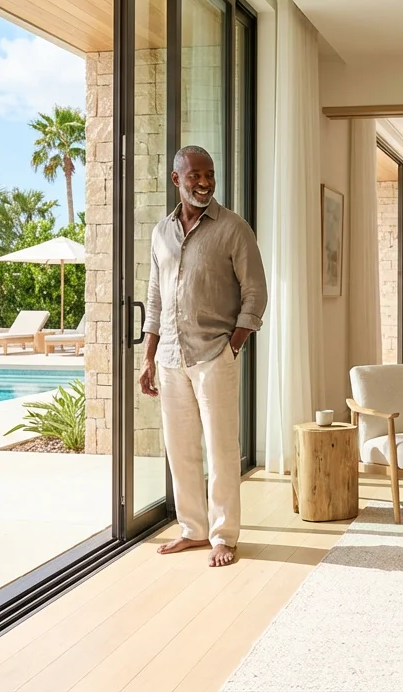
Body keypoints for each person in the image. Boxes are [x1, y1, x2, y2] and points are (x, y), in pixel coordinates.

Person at [140, 145, 267, 568]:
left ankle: (223, 535)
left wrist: (235, 343)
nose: (204, 181)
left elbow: (255, 291)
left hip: (214, 353)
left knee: (221, 448)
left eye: (209, 174)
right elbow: (154, 298)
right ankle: (192, 530)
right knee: (180, 449)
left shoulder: (233, 228)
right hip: (171, 358)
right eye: (195, 175)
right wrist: (148, 357)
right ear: (177, 179)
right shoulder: (161, 233)